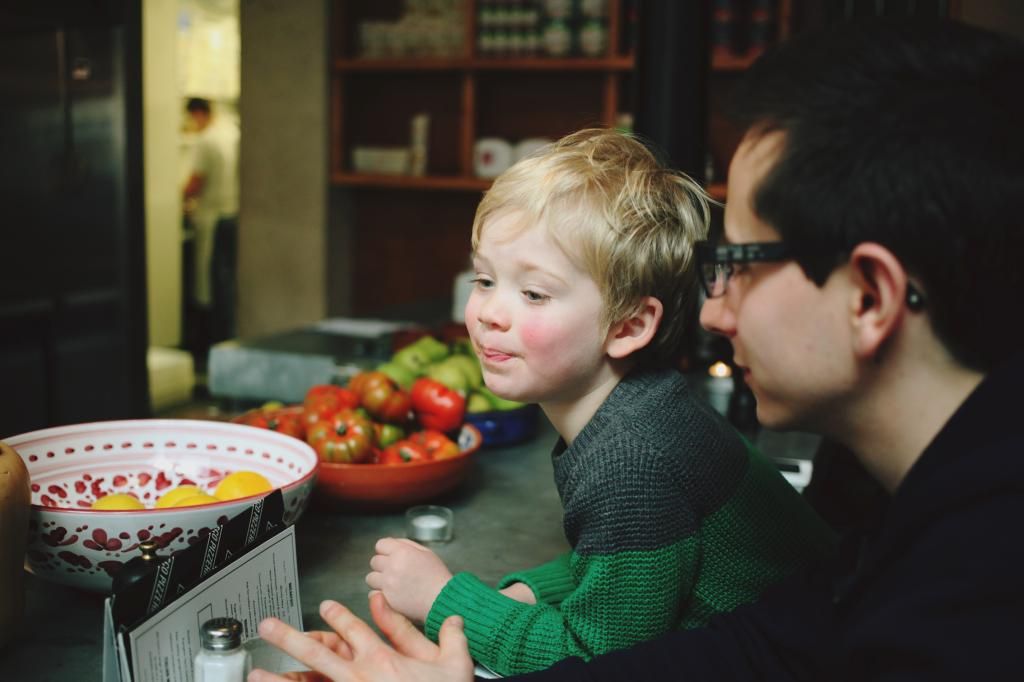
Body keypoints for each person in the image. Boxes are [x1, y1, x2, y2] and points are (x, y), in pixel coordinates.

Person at [248, 18, 1024, 682]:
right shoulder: (881, 494)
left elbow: (614, 643)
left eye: (740, 262)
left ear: (870, 298)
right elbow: (764, 642)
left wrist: (459, 607)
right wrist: (517, 601)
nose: (714, 309)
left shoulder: (967, 611)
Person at [365, 128, 834, 676]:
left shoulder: (630, 459)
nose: (490, 311)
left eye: (534, 293)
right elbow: (626, 571)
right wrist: (525, 593)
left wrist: (445, 597)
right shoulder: (648, 409)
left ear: (629, 326)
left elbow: (595, 660)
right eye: (486, 279)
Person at [183, 96, 240, 353]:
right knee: (224, 281)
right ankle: (223, 335)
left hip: (212, 216)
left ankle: (207, 341)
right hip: (233, 212)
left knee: (209, 283)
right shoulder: (232, 132)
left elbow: (196, 181)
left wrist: (179, 200)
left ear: (197, 114)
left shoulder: (207, 140)